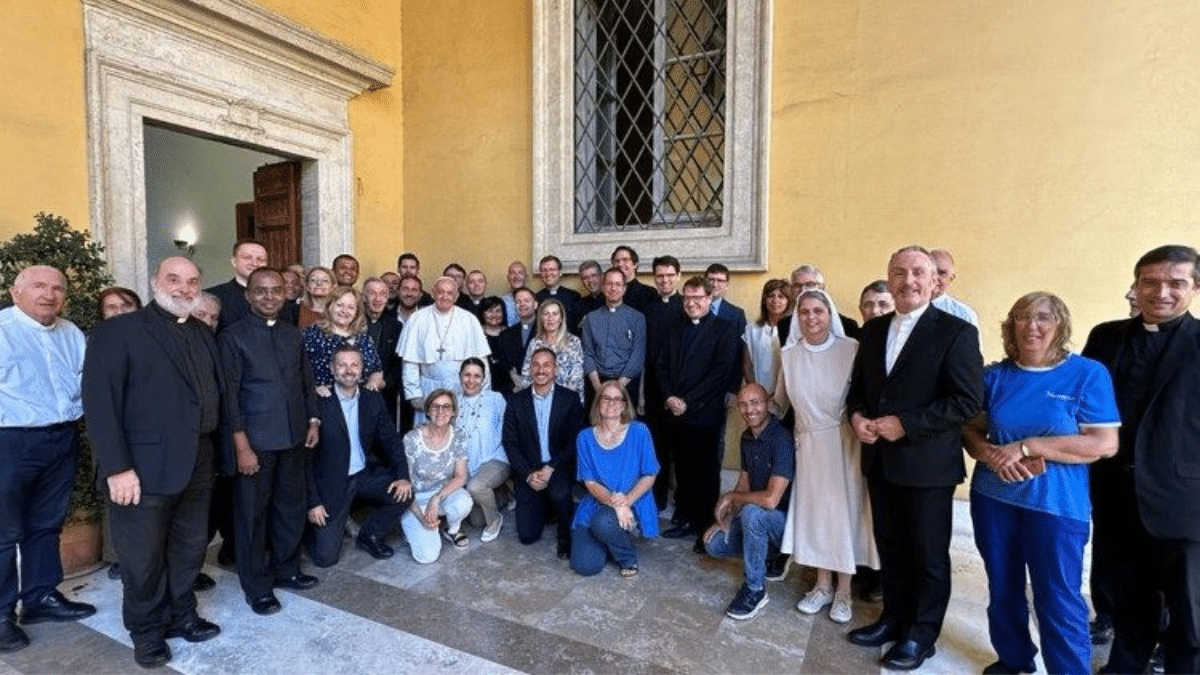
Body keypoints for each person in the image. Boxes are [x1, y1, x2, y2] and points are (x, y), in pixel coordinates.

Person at [963, 292, 1118, 675]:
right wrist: (988, 453)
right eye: (1022, 317)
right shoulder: (994, 377)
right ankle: (1013, 659)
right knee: (1003, 586)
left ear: (1060, 325)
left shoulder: (1087, 374)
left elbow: (1103, 443)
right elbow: (969, 428)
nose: (1032, 325)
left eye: (1043, 318)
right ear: (1011, 325)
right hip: (993, 498)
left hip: (1056, 506)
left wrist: (1026, 446)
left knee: (1058, 597)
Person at [845, 245, 982, 671]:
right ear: (889, 276)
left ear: (934, 280)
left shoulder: (956, 332)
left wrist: (906, 423)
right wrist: (857, 416)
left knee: (928, 556)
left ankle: (921, 635)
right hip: (880, 462)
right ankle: (894, 619)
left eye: (918, 272)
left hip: (927, 465)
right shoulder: (873, 330)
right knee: (893, 548)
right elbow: (861, 389)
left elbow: (966, 401)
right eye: (899, 272)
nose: (908, 280)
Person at [83, 257, 223, 669]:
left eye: (193, 281)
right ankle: (146, 632)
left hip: (198, 460)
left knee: (189, 548)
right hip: (140, 468)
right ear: (153, 282)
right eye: (174, 279)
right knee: (142, 558)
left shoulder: (200, 331)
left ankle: (181, 614)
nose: (184, 288)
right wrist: (117, 467)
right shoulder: (118, 331)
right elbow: (100, 404)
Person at [1084, 245, 1200, 674]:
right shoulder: (1106, 336)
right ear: (1136, 286)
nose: (1161, 292)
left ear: (1195, 288)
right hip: (1115, 493)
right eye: (1150, 282)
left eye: (1176, 283)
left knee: (1190, 614)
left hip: (1182, 499)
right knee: (1128, 599)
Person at [1, 266, 95, 655]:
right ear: (15, 291)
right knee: (3, 533)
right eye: (39, 286)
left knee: (46, 523)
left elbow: (83, 380)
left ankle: (40, 598)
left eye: (58, 288)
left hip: (61, 437)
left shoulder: (71, 333)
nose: (49, 294)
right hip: (10, 440)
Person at [219, 268, 321, 616]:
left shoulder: (294, 335)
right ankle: (256, 586)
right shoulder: (232, 337)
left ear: (285, 294)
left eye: (276, 291)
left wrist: (313, 420)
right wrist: (242, 446)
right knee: (251, 516)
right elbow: (229, 398)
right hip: (256, 444)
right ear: (248, 294)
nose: (269, 297)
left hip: (293, 436)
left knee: (290, 508)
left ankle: (287, 569)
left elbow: (306, 382)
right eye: (261, 291)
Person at [775, 290, 878, 625]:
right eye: (803, 312)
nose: (811, 318)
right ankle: (821, 585)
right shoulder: (789, 354)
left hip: (844, 443)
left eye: (818, 311)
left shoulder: (850, 349)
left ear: (829, 313)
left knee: (843, 515)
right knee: (816, 516)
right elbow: (779, 401)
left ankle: (844, 590)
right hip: (808, 445)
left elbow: (864, 397)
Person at [306, 345, 412, 565]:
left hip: (364, 474)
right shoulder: (319, 401)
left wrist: (403, 476)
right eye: (342, 365)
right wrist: (313, 502)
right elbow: (306, 459)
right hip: (331, 482)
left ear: (362, 369)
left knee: (404, 493)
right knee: (325, 558)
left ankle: (368, 535)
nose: (348, 370)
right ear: (332, 370)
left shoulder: (372, 399)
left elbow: (391, 441)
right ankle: (315, 528)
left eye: (354, 364)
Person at [656, 276, 740, 552]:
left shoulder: (724, 330)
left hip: (704, 414)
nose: (691, 303)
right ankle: (684, 519)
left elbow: (720, 373)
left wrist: (687, 401)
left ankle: (705, 526)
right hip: (676, 414)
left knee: (706, 472)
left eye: (697, 298)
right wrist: (669, 396)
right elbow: (661, 366)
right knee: (681, 469)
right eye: (687, 298)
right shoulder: (672, 328)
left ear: (708, 298)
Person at [703, 383, 794, 621]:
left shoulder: (781, 438)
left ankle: (755, 589)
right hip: (757, 518)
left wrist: (731, 497)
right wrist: (728, 517)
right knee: (714, 544)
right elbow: (744, 482)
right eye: (743, 404)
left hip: (784, 524)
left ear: (768, 404)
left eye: (755, 402)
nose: (749, 409)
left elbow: (771, 500)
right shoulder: (746, 437)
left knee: (754, 513)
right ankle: (769, 555)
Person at [503, 348, 587, 558]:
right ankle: (546, 508)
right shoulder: (516, 401)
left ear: (555, 369)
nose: (541, 370)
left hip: (557, 466)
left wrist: (551, 467)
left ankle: (564, 530)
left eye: (546, 365)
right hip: (529, 470)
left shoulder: (570, 399)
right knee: (527, 536)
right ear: (530, 369)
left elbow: (574, 441)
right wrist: (528, 475)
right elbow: (510, 443)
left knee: (559, 493)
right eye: (536, 365)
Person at [570, 380, 659, 578]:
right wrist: (614, 503)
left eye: (617, 399)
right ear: (598, 403)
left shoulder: (639, 431)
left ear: (625, 405)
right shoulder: (584, 437)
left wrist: (626, 502)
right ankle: (611, 538)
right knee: (585, 566)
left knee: (603, 522)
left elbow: (650, 475)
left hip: (633, 501)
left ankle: (627, 557)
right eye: (606, 398)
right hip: (599, 501)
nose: (611, 403)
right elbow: (590, 482)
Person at [397, 276, 491, 423]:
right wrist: (414, 395)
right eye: (440, 292)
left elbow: (481, 362)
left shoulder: (469, 320)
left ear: (456, 296)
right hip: (428, 389)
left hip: (461, 389)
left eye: (449, 293)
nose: (445, 296)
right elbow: (410, 363)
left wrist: (483, 394)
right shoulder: (417, 319)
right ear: (433, 293)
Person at [401, 390, 473, 562]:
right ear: (427, 411)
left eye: (446, 406)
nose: (441, 412)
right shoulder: (412, 439)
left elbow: (461, 476)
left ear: (454, 411)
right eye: (435, 406)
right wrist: (421, 517)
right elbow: (405, 485)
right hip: (414, 501)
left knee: (464, 501)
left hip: (440, 496)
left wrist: (436, 498)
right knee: (427, 557)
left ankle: (451, 530)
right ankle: (414, 527)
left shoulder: (458, 436)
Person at [455, 358, 511, 542]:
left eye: (477, 376)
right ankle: (504, 493)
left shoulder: (495, 399)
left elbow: (509, 430)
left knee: (475, 487)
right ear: (460, 376)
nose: (471, 381)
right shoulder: (453, 402)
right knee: (477, 521)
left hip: (495, 458)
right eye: (467, 375)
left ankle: (495, 520)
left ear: (483, 379)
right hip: (469, 463)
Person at [644, 255, 683, 509]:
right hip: (653, 389)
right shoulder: (648, 308)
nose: (665, 280)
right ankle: (656, 499)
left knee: (680, 452)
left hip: (680, 391)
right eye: (660, 276)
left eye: (669, 275)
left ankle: (681, 502)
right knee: (655, 447)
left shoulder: (686, 306)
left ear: (678, 276)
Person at [580, 268, 647, 410]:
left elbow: (637, 356)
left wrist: (617, 387)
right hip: (597, 384)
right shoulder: (591, 318)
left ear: (624, 289)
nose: (613, 288)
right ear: (603, 288)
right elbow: (587, 353)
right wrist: (598, 388)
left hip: (627, 384)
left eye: (617, 284)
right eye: (609, 284)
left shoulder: (637, 318)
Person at [303, 286, 385, 397]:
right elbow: (297, 371)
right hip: (322, 401)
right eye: (339, 305)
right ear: (329, 307)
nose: (344, 311)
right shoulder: (310, 335)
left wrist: (372, 384)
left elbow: (377, 370)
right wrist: (313, 388)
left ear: (357, 312)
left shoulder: (364, 339)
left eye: (351, 307)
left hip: (359, 403)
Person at [519, 298, 585, 402]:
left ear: (561, 318)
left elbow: (576, 378)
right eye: (546, 314)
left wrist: (561, 403)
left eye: (555, 314)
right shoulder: (534, 343)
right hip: (538, 400)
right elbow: (526, 375)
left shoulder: (573, 342)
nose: (551, 318)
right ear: (541, 318)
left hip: (566, 401)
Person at [362, 277, 403, 424]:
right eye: (372, 293)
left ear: (387, 299)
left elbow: (399, 363)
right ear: (364, 297)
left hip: (384, 395)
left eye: (382, 294)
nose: (377, 298)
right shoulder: (352, 323)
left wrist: (385, 383)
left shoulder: (396, 327)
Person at [206, 239, 267, 332]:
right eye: (247, 257)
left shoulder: (278, 298)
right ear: (234, 261)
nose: (255, 263)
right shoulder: (212, 296)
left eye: (260, 259)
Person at [742, 279, 790, 398]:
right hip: (759, 395)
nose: (775, 301)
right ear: (764, 299)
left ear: (789, 301)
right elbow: (747, 365)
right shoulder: (752, 330)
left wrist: (777, 395)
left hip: (787, 395)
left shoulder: (793, 331)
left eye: (781, 296)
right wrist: (757, 393)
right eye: (771, 296)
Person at [786, 264, 861, 339]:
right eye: (797, 286)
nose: (803, 290)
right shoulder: (784, 325)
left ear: (821, 288)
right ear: (792, 290)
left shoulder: (848, 325)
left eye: (810, 284)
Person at [493, 286, 538, 396]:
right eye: (518, 301)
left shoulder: (545, 330)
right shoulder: (505, 335)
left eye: (527, 301)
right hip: (514, 392)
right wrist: (514, 379)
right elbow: (503, 364)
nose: (522, 304)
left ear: (535, 304)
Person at [929, 248, 980, 328]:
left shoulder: (964, 314)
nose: (934, 278)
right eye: (930, 272)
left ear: (951, 278)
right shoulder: (905, 309)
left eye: (942, 273)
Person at [535, 255, 581, 330]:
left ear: (560, 272)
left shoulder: (574, 296)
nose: (548, 273)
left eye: (552, 269)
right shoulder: (536, 297)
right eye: (544, 270)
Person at [610, 246, 655, 313]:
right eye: (617, 261)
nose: (620, 264)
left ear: (635, 264)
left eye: (625, 260)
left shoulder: (649, 293)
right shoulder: (607, 294)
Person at [575, 259, 605, 329]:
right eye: (586, 278)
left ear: (602, 276)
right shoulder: (579, 305)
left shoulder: (612, 300)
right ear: (582, 281)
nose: (590, 280)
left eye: (594, 275)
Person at [500, 261, 528, 326]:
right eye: (513, 273)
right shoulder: (502, 301)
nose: (516, 276)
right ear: (508, 278)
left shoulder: (534, 299)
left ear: (526, 277)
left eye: (520, 273)